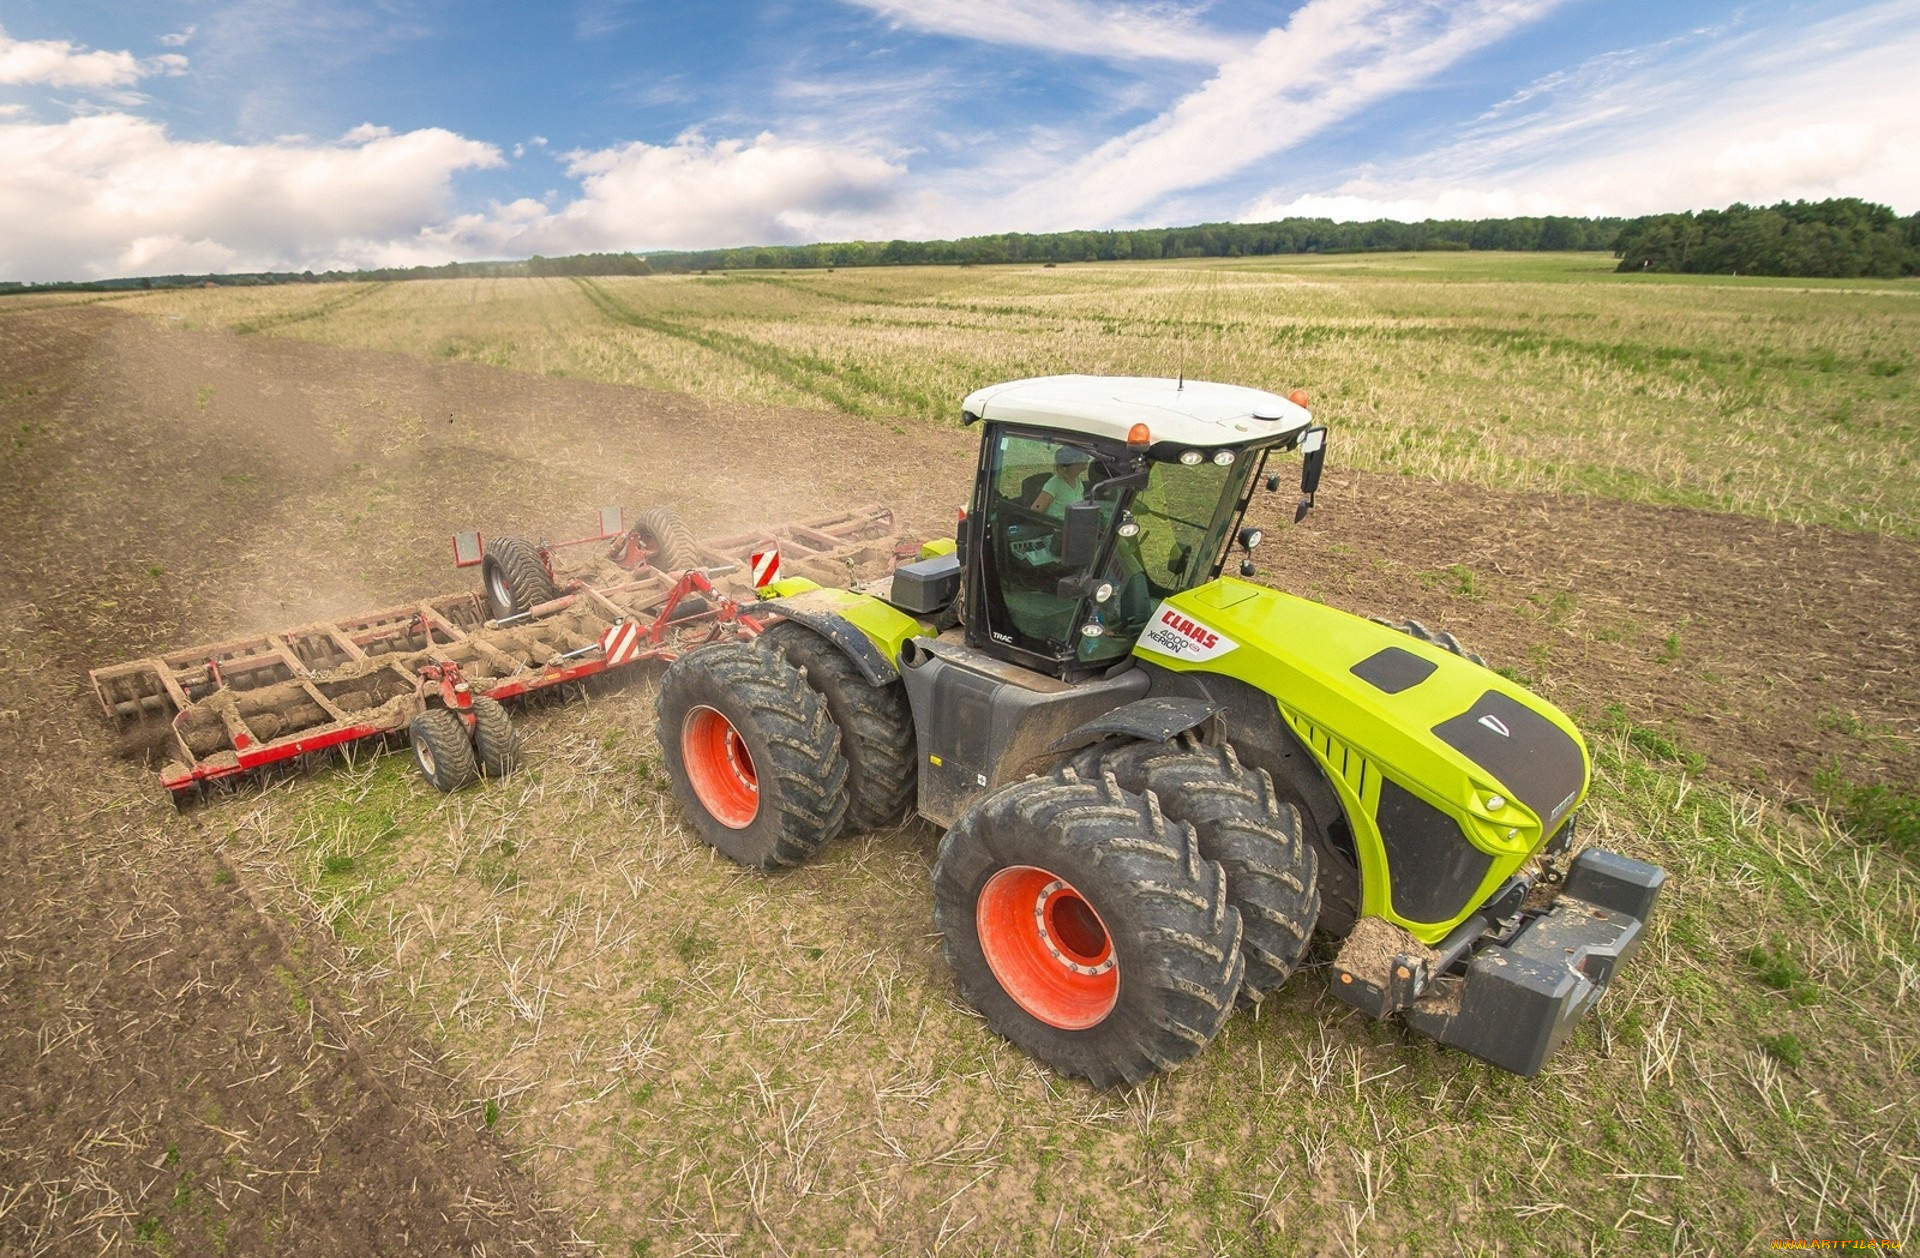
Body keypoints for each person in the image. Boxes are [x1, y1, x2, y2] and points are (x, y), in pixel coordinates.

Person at [1032, 446, 1092, 518]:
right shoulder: (1054, 484)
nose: (1088, 458)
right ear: (1074, 461)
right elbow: (1035, 510)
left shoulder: (1077, 481)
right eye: (1083, 456)